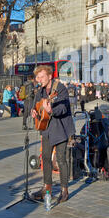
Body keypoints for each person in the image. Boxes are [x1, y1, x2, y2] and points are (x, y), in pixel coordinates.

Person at [31, 65, 76, 204]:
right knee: (45, 158)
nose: (39, 79)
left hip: (60, 128)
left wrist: (51, 111)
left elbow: (63, 108)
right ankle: (47, 188)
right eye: (37, 77)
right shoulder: (40, 91)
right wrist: (34, 111)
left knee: (61, 159)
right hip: (46, 128)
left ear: (50, 76)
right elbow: (35, 104)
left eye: (42, 77)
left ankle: (64, 190)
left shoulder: (60, 88)